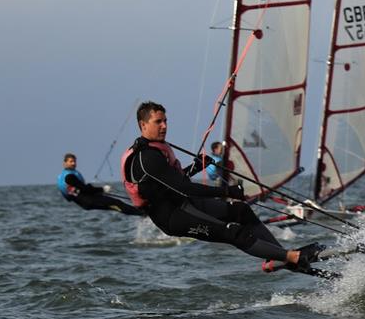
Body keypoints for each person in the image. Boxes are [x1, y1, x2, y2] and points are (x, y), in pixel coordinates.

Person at [120, 101, 321, 269]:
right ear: (143, 125)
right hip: (174, 216)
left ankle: (278, 256)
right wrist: (228, 191)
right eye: (158, 122)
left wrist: (196, 168)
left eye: (165, 121)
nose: (164, 126)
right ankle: (293, 257)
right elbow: (183, 187)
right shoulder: (147, 157)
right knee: (233, 233)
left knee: (241, 211)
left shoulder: (155, 151)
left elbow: (170, 183)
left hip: (185, 203)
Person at [57, 153, 144, 215]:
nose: (74, 163)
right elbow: (84, 189)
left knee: (116, 204)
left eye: (74, 161)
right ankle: (143, 214)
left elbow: (70, 196)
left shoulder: (62, 176)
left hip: (87, 200)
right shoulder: (69, 177)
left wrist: (94, 192)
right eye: (71, 161)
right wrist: (102, 189)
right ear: (64, 163)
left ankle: (142, 213)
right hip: (88, 200)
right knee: (116, 204)